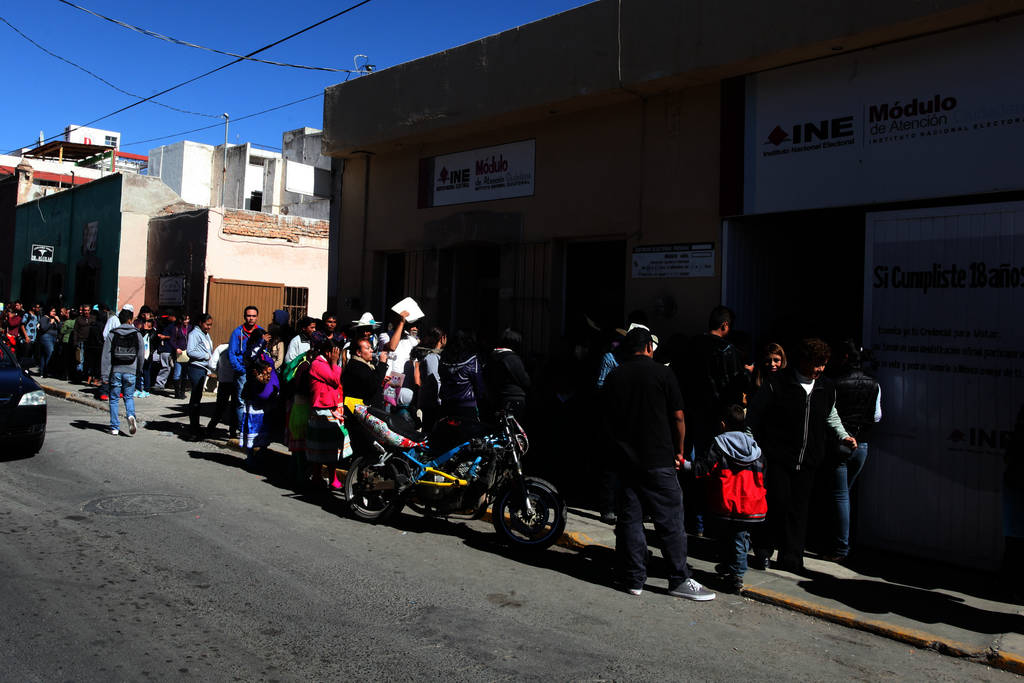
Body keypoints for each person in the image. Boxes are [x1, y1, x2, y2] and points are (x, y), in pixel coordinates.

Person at [603, 326, 716, 601]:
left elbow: (607, 419)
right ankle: (678, 578)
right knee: (670, 521)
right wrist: (680, 451)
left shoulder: (615, 376)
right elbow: (678, 417)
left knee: (631, 519)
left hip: (627, 460)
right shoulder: (664, 374)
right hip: (659, 457)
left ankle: (634, 579)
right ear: (649, 348)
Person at [747, 338, 856, 573]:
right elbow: (755, 414)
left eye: (823, 364)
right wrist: (753, 446)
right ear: (804, 361)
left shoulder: (826, 387)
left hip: (808, 459)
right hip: (778, 457)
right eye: (817, 364)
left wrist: (843, 435)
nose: (820, 369)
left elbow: (831, 415)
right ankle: (764, 550)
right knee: (776, 504)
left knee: (799, 510)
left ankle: (792, 557)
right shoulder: (778, 383)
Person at [673, 306, 749, 535]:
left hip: (690, 416)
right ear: (725, 325)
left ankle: (691, 520)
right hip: (716, 419)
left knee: (688, 467)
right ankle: (709, 521)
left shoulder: (690, 346)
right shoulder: (728, 351)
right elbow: (734, 388)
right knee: (713, 469)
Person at [691, 404, 767, 593]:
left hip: (726, 501)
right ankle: (730, 567)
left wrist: (685, 465)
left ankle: (736, 575)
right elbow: (763, 474)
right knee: (740, 537)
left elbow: (705, 467)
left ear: (723, 424)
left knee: (727, 537)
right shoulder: (755, 448)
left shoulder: (719, 444)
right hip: (751, 503)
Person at [823, 339, 881, 562]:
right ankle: (841, 542)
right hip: (862, 444)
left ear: (844, 358)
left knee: (839, 495)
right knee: (845, 493)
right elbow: (877, 416)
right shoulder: (874, 384)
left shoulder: (836, 383)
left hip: (841, 443)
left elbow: (829, 414)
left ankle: (840, 546)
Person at [307, 338, 344, 488]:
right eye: (335, 353)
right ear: (328, 352)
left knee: (330, 447)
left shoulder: (326, 364)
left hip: (330, 408)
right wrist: (335, 363)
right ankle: (318, 476)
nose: (337, 356)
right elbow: (335, 379)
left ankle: (330, 477)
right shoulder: (318, 364)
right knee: (321, 446)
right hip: (321, 409)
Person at [101, 308, 144, 437]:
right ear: (130, 320)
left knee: (114, 399)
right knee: (128, 397)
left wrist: (104, 375)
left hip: (116, 370)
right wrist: (139, 370)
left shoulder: (113, 333)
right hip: (131, 370)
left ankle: (114, 427)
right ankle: (130, 415)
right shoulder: (137, 334)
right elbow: (141, 354)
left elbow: (106, 355)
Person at [228, 306, 263, 437]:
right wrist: (240, 369)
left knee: (254, 401)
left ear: (257, 317)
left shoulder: (261, 332)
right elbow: (231, 353)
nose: (251, 318)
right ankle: (242, 429)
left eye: (253, 316)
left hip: (256, 372)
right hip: (242, 371)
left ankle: (253, 429)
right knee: (240, 401)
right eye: (249, 316)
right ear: (244, 316)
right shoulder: (237, 333)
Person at [484, 328, 530, 422]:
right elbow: (525, 381)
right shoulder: (511, 358)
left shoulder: (492, 357)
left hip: (498, 397)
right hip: (513, 397)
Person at [439, 329, 486, 421]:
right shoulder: (473, 360)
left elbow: (441, 377)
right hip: (467, 406)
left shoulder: (443, 358)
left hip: (447, 404)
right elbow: (479, 385)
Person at [240, 359, 279, 467]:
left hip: (262, 409)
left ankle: (257, 456)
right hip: (255, 409)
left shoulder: (263, 376)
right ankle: (252, 457)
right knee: (254, 433)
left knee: (261, 432)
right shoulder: (256, 377)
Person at [185, 313, 215, 439]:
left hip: (203, 368)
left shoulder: (205, 334)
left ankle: (195, 425)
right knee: (195, 398)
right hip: (196, 368)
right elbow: (190, 351)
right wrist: (206, 356)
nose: (209, 327)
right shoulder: (194, 334)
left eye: (210, 325)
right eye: (207, 324)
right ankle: (194, 426)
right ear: (200, 323)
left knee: (198, 397)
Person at [341, 338, 389, 408]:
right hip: (359, 409)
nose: (371, 350)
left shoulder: (366, 364)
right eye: (368, 348)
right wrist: (382, 363)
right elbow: (374, 384)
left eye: (371, 348)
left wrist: (382, 378)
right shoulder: (356, 366)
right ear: (359, 353)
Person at [206, 343, 239, 440]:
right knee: (235, 407)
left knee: (220, 406)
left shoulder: (221, 348)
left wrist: (218, 373)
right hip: (237, 380)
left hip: (224, 380)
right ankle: (233, 432)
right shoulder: (241, 348)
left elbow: (211, 364)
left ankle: (210, 428)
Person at [37, 306, 60, 378]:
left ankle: (42, 372)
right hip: (46, 337)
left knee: (44, 355)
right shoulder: (44, 318)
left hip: (53, 338)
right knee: (50, 353)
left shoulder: (54, 319)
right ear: (48, 311)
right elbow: (43, 328)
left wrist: (58, 321)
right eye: (52, 311)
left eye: (55, 311)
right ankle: (47, 371)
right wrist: (50, 323)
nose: (54, 313)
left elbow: (59, 328)